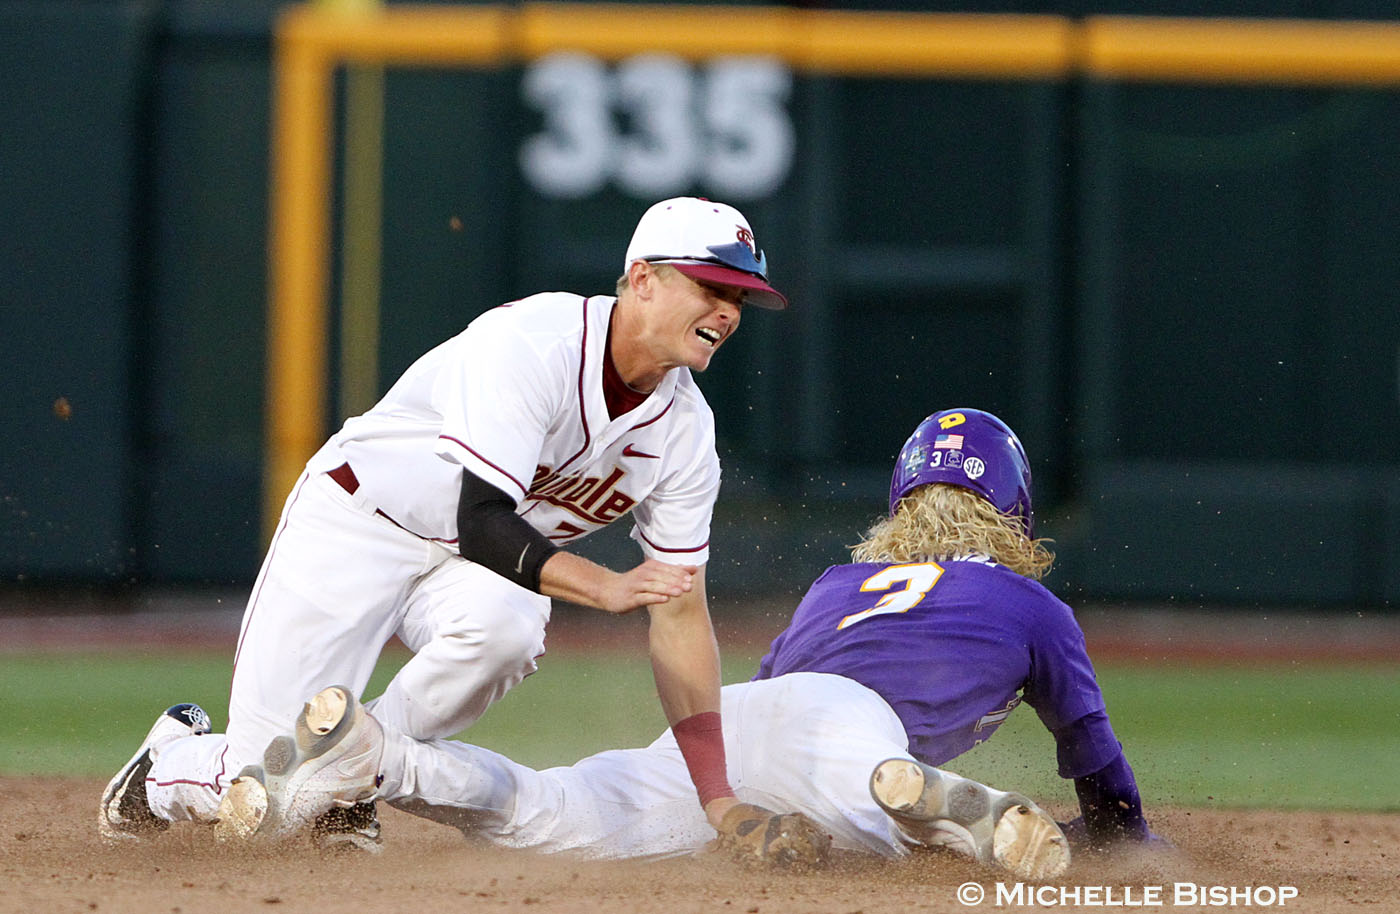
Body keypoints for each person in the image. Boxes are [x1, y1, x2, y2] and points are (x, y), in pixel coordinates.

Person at [99, 196, 800, 853]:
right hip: (359, 522)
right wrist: (603, 585)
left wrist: (717, 797)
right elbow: (484, 518)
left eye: (740, 297)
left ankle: (346, 778)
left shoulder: (685, 434)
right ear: (642, 279)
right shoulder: (536, 343)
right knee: (254, 783)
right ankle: (166, 767)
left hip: (470, 567)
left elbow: (681, 614)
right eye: (712, 287)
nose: (727, 310)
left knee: (508, 626)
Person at [330, 408, 1159, 879]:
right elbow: (1096, 759)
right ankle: (944, 807)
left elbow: (778, 705)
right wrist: (1125, 839)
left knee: (557, 809)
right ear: (1015, 511)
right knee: (872, 821)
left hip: (739, 718)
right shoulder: (1033, 605)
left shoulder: (837, 582)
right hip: (850, 734)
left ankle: (382, 756)